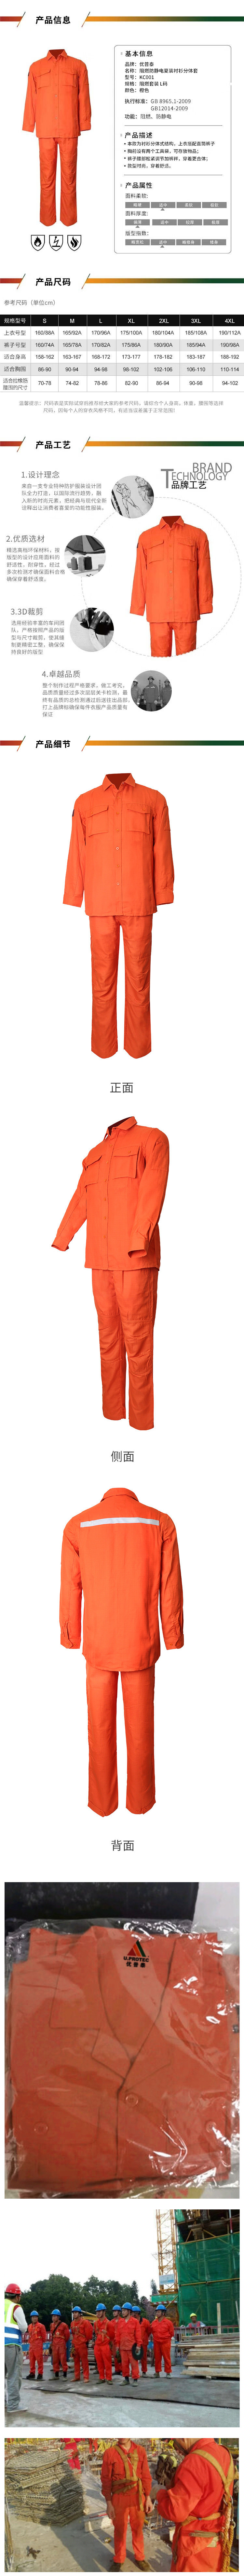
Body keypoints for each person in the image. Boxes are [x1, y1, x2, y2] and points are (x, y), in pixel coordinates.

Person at [156, 2437, 235, 2569]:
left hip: (194, 2549)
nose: (176, 2450)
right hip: (216, 2544)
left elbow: (175, 2512)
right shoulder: (224, 2453)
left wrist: (159, 2494)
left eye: (172, 2443)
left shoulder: (195, 2461)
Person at [101, 2439, 153, 2568]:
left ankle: (140, 2557)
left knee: (138, 2529)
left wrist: (148, 2497)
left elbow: (146, 2475)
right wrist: (109, 2503)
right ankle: (119, 2559)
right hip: (119, 2497)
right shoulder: (110, 2453)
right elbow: (106, 2480)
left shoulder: (141, 2451)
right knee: (120, 2529)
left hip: (138, 2496)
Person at [5, 2282, 27, 2415]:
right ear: (17, 2296)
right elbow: (24, 2328)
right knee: (14, 2375)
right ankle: (13, 2405)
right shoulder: (16, 2308)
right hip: (11, 2346)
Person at [117, 2303, 141, 2383]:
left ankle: (135, 2380)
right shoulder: (121, 2322)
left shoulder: (135, 2322)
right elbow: (118, 2335)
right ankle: (126, 2380)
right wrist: (118, 2346)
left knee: (134, 2364)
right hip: (123, 2347)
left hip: (132, 2348)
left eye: (124, 2311)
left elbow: (138, 2334)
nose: (123, 2312)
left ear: (129, 2311)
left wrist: (139, 2346)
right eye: (122, 2311)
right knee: (125, 2365)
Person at [152, 2303, 174, 2377]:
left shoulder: (169, 2323)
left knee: (167, 2358)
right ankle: (157, 2373)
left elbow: (172, 2333)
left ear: (163, 2313)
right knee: (157, 2358)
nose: (157, 2313)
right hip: (157, 2343)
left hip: (166, 2343)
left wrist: (166, 2339)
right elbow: (152, 2332)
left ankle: (168, 2373)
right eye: (157, 2312)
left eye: (159, 2312)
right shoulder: (154, 2323)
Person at [26, 2310, 48, 2382]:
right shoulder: (30, 2326)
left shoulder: (41, 2326)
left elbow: (44, 2337)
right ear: (31, 2318)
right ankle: (32, 2373)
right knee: (32, 2360)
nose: (35, 2319)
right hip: (32, 2346)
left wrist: (40, 2343)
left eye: (36, 2317)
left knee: (39, 2360)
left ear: (38, 2318)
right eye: (33, 2317)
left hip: (38, 2345)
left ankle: (40, 2373)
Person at [71, 2307, 91, 2383]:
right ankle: (77, 2377)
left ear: (80, 2314)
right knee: (76, 2362)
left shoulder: (85, 2322)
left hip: (82, 2345)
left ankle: (86, 2377)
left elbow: (89, 2332)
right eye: (74, 2313)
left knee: (84, 2362)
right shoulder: (72, 2323)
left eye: (76, 2313)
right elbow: (74, 2334)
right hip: (76, 2345)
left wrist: (86, 2341)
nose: (74, 2314)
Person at [94, 2302, 112, 2383]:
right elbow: (96, 2334)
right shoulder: (96, 2324)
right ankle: (102, 2378)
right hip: (98, 2346)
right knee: (100, 2363)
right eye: (97, 2312)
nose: (98, 2313)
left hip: (105, 2346)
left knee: (108, 2363)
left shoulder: (109, 2324)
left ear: (104, 2312)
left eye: (100, 2311)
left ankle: (109, 2378)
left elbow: (112, 2336)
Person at [50, 2308, 69, 2379]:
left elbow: (67, 2336)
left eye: (55, 2317)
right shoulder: (52, 2325)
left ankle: (65, 2376)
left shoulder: (64, 2325)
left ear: (59, 2317)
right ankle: (57, 2376)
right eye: (53, 2317)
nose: (54, 2318)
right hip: (55, 2345)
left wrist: (63, 2343)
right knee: (55, 2361)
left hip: (62, 2345)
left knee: (63, 2360)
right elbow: (52, 2335)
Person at [109, 2308, 123, 2374]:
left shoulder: (122, 2321)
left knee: (121, 2357)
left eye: (115, 2311)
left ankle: (122, 2370)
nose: (114, 2313)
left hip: (121, 2342)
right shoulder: (111, 2322)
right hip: (114, 2342)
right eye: (113, 2312)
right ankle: (117, 2370)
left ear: (119, 2312)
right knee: (115, 2356)